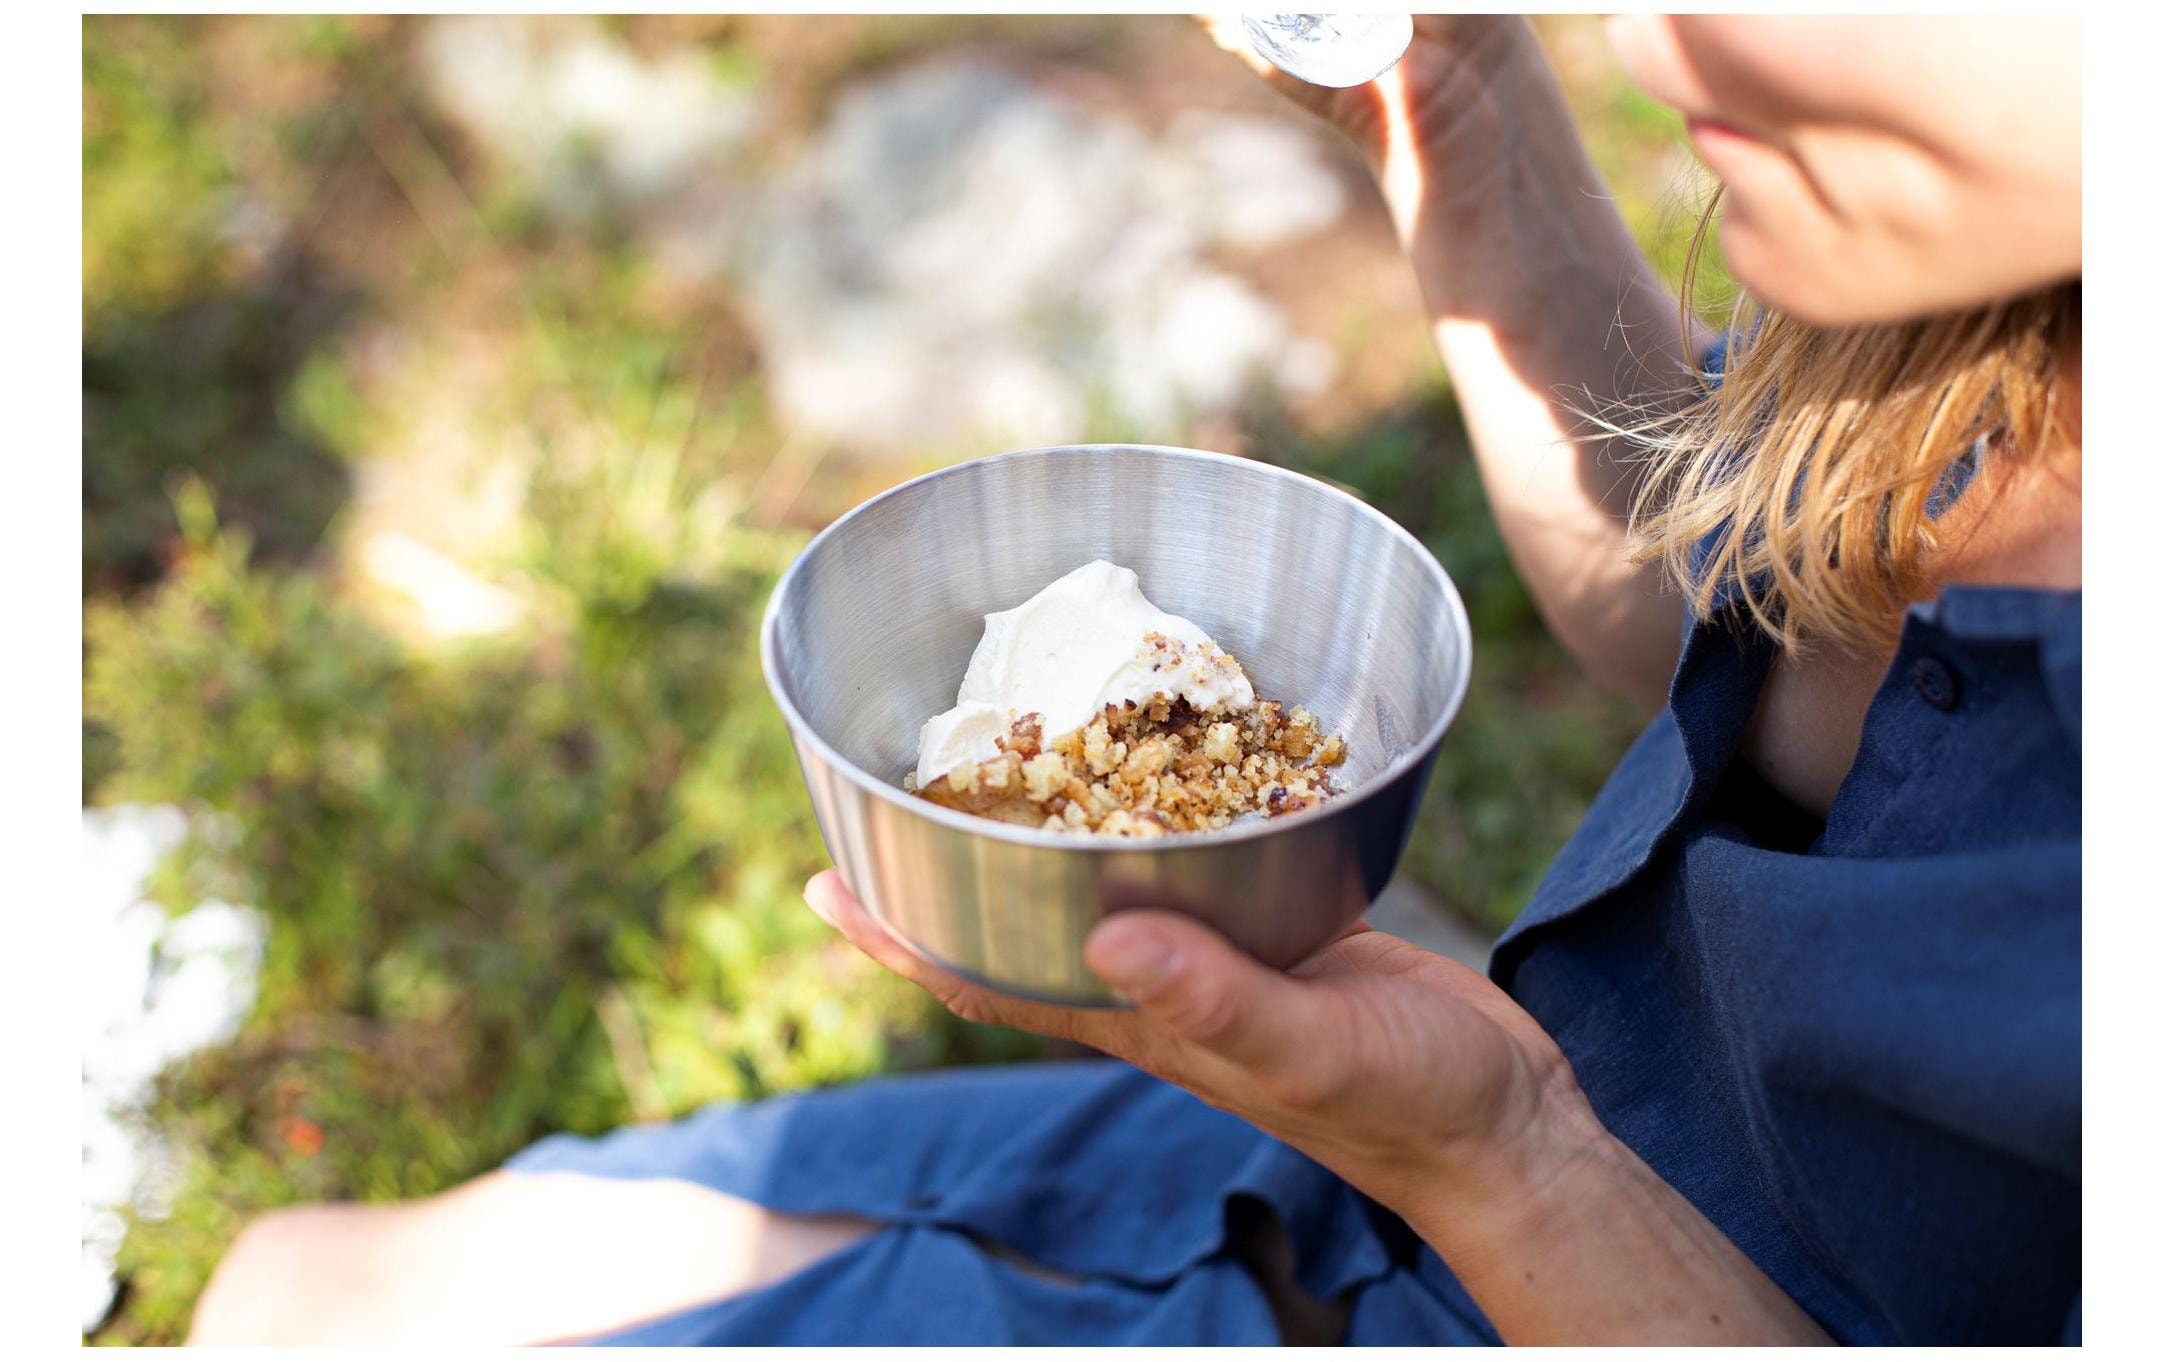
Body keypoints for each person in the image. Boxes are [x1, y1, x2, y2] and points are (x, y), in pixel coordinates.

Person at [189, 13, 2080, 1346]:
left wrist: (1504, 1163)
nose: (1672, 41)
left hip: (1531, 1243)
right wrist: (1473, 106)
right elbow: (1740, 631)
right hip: (1398, 1191)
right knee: (298, 1283)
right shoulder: (2036, 341)